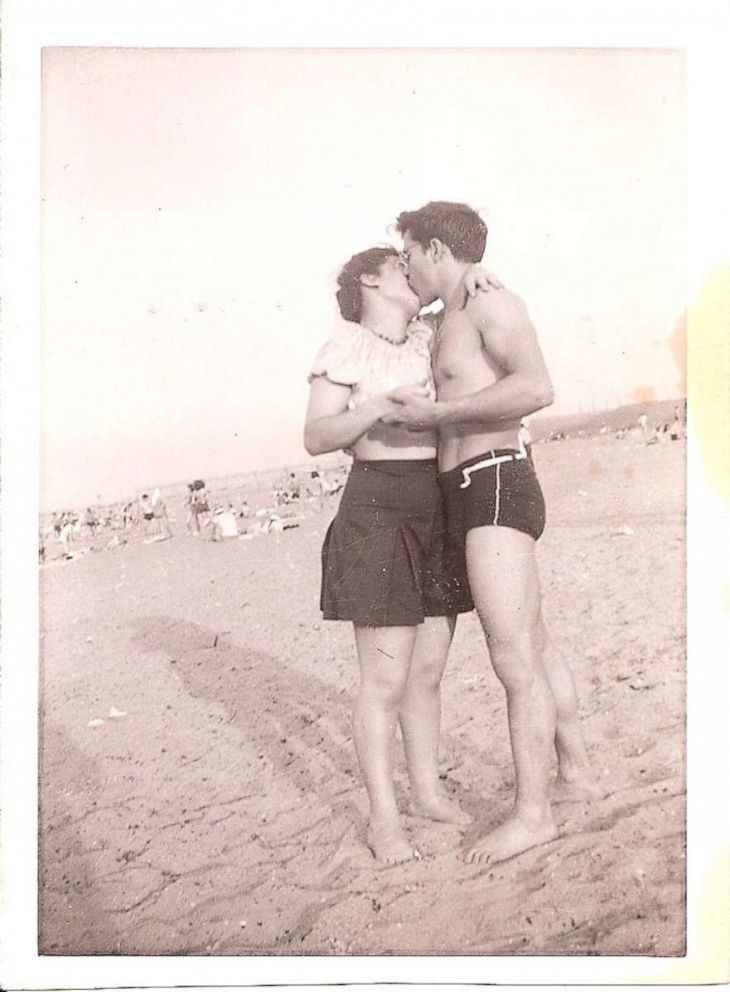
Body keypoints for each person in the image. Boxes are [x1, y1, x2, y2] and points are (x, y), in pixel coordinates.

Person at [387, 201, 601, 865]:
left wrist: (442, 414)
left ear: (435, 251)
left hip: (496, 476)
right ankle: (579, 772)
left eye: (408, 254)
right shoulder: (446, 314)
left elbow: (537, 388)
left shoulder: (490, 306)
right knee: (532, 642)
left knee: (512, 655)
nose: (404, 266)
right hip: (462, 490)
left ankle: (533, 817)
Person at [304, 246, 496, 866]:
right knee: (384, 681)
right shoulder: (345, 344)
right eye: (399, 266)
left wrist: (477, 276)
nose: (413, 275)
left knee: (427, 674)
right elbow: (316, 436)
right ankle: (384, 822)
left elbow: (466, 294)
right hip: (378, 506)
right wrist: (377, 408)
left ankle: (429, 795)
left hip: (436, 502)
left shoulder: (429, 334)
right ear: (370, 278)